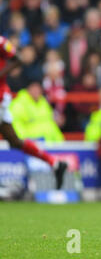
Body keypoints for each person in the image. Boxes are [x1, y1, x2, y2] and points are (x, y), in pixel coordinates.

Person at [0, 36, 67, 189]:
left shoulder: (1, 42)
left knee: (14, 140)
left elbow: (18, 58)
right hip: (2, 100)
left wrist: (1, 73)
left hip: (0, 97)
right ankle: (54, 163)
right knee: (14, 141)